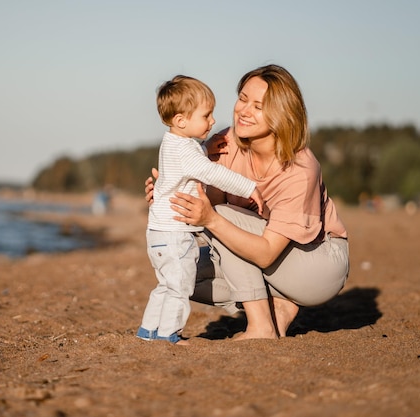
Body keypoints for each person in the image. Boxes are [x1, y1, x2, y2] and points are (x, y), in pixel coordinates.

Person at [145, 65, 349, 341]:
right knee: (181, 273)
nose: (244, 110)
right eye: (242, 99)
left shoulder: (301, 169)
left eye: (258, 106)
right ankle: (279, 303)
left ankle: (261, 327)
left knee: (221, 217)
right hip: (266, 256)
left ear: (282, 113)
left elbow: (259, 249)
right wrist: (171, 194)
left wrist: (211, 218)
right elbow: (207, 200)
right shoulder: (225, 143)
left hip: (316, 264)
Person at [137, 75, 264, 344]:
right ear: (181, 120)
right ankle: (169, 334)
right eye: (206, 115)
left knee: (165, 285)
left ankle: (148, 330)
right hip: (174, 236)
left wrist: (206, 147)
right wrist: (249, 187)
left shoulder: (173, 143)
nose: (213, 121)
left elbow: (190, 161)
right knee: (180, 287)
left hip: (158, 234)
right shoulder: (187, 152)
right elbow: (209, 172)